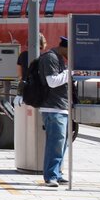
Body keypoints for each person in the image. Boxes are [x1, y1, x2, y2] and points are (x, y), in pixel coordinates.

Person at [38, 36, 71, 187]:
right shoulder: (51, 58)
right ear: (65, 47)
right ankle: (50, 176)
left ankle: (57, 173)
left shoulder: (59, 59)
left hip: (61, 106)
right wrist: (70, 73)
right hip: (52, 107)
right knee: (55, 143)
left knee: (62, 143)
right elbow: (52, 81)